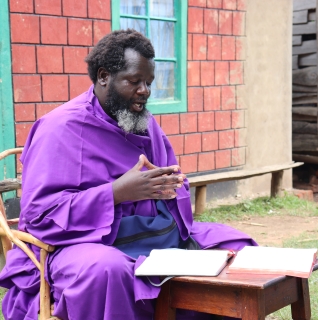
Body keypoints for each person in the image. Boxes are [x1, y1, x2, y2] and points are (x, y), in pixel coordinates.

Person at [0, 29, 256, 320]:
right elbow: (39, 216)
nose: (144, 91)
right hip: (85, 245)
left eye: (148, 82)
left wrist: (168, 187)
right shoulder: (58, 129)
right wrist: (117, 193)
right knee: (105, 271)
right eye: (134, 81)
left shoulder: (144, 122)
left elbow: (173, 185)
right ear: (104, 76)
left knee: (236, 246)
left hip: (156, 237)